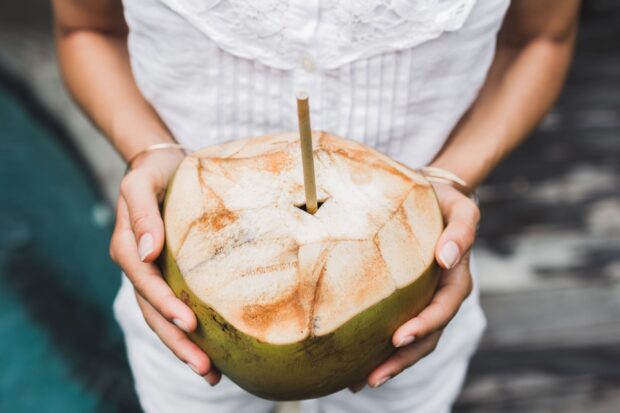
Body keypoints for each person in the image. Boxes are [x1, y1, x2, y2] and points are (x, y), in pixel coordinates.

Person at [52, 0, 580, 412]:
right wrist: (150, 150)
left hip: (415, 275)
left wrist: (452, 175)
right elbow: (85, 28)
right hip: (185, 277)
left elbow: (541, 37)